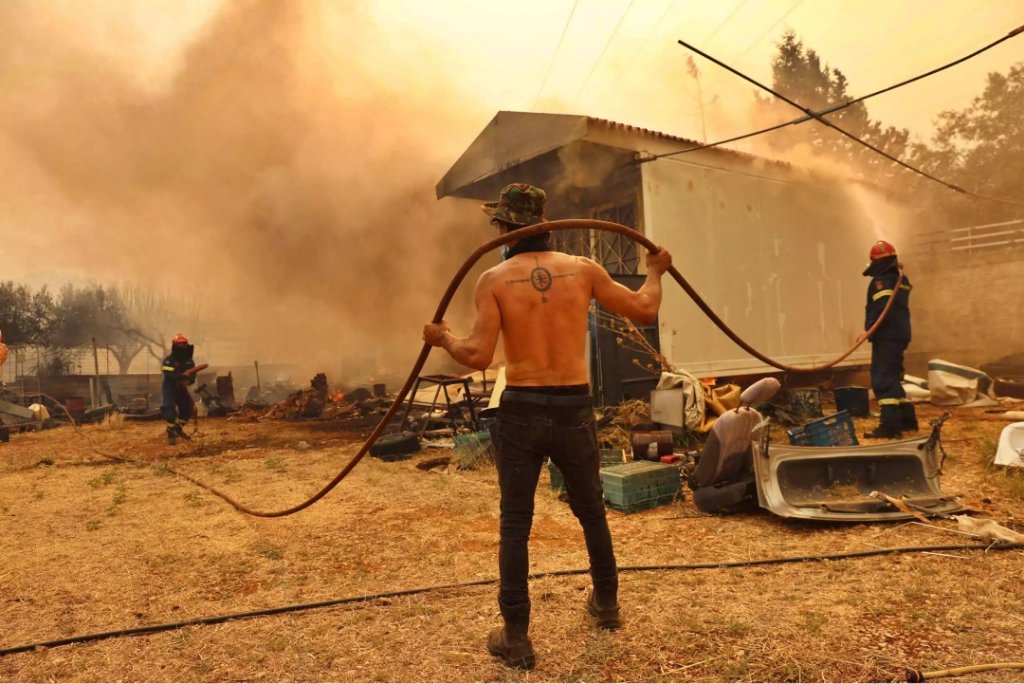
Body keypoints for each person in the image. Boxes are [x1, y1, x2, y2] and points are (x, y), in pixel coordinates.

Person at [423, 183, 672, 669]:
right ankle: (606, 605)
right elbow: (645, 308)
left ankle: (516, 637)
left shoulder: (493, 278)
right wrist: (654, 272)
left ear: (504, 228)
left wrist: (444, 338)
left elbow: (477, 356)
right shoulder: (583, 270)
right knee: (591, 510)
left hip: (521, 409)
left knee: (515, 524)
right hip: (573, 408)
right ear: (543, 225)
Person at [856, 240, 916, 439]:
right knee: (893, 375)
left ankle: (890, 427)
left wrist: (869, 330)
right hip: (899, 334)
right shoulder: (901, 279)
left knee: (882, 378)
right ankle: (907, 421)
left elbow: (883, 308)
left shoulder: (882, 281)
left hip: (887, 336)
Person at [161, 333, 196, 444]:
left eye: (184, 345)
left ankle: (178, 429)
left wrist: (189, 381)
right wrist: (182, 376)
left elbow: (193, 374)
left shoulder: (189, 361)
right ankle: (171, 434)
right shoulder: (168, 360)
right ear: (174, 346)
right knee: (169, 410)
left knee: (187, 409)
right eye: (179, 345)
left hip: (181, 388)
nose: (182, 347)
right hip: (170, 388)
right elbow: (168, 375)